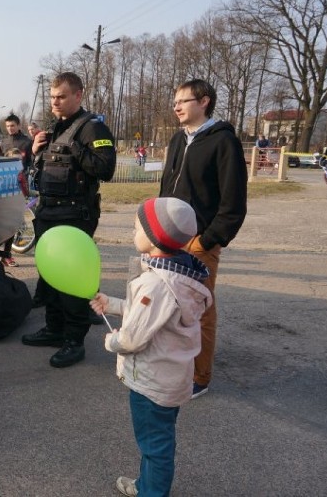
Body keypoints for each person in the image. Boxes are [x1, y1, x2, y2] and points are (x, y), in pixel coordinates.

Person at [90, 197, 211, 497]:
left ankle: (152, 492)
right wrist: (114, 304)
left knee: (155, 447)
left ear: (155, 237)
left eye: (136, 227)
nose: (133, 232)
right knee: (156, 441)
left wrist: (110, 341)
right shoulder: (178, 275)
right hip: (171, 380)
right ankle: (146, 486)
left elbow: (132, 338)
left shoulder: (156, 284)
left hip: (151, 384)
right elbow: (157, 318)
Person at [21, 72, 116, 368]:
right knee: (49, 277)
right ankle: (54, 329)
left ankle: (74, 341)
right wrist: (35, 151)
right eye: (52, 97)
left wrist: (73, 148)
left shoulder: (91, 128)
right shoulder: (55, 129)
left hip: (75, 216)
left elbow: (106, 168)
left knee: (72, 283)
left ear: (79, 95)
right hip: (48, 213)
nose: (55, 102)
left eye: (61, 96)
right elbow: (41, 169)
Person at [160, 78, 247, 399]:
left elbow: (233, 204)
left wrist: (207, 240)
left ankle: (200, 375)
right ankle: (173, 363)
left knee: (199, 311)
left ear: (204, 101)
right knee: (168, 305)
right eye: (175, 102)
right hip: (168, 239)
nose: (176, 107)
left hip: (199, 243)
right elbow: (166, 189)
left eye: (183, 101)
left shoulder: (223, 141)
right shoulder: (177, 140)